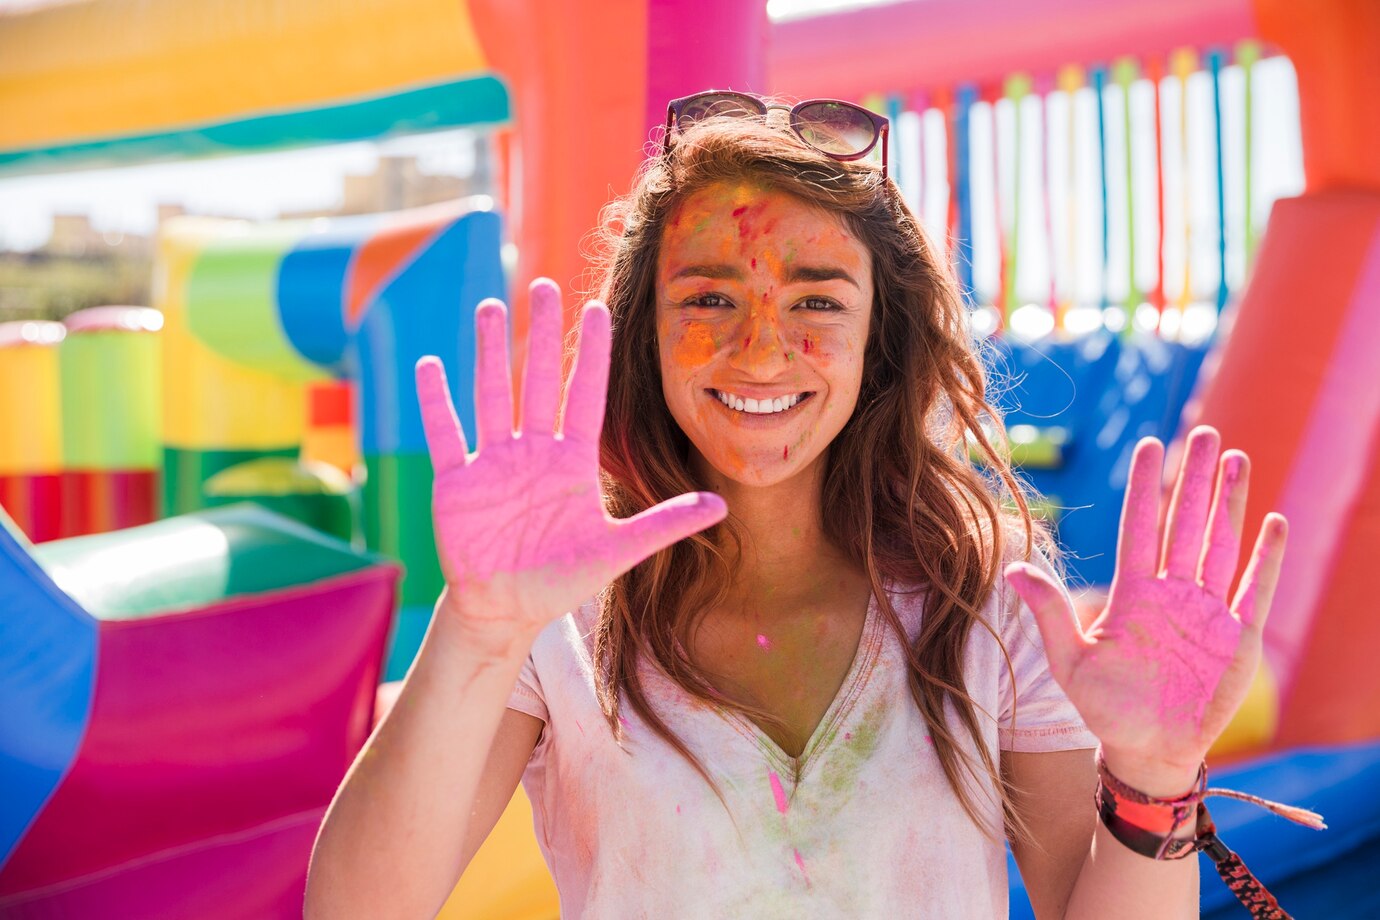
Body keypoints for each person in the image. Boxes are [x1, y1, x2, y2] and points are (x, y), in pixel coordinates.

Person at [305, 92, 1290, 919]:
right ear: (647, 330)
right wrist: (478, 626)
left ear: (880, 338)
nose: (763, 349)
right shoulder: (559, 606)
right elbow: (356, 905)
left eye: (818, 300)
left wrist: (1155, 772)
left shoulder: (979, 600)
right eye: (709, 299)